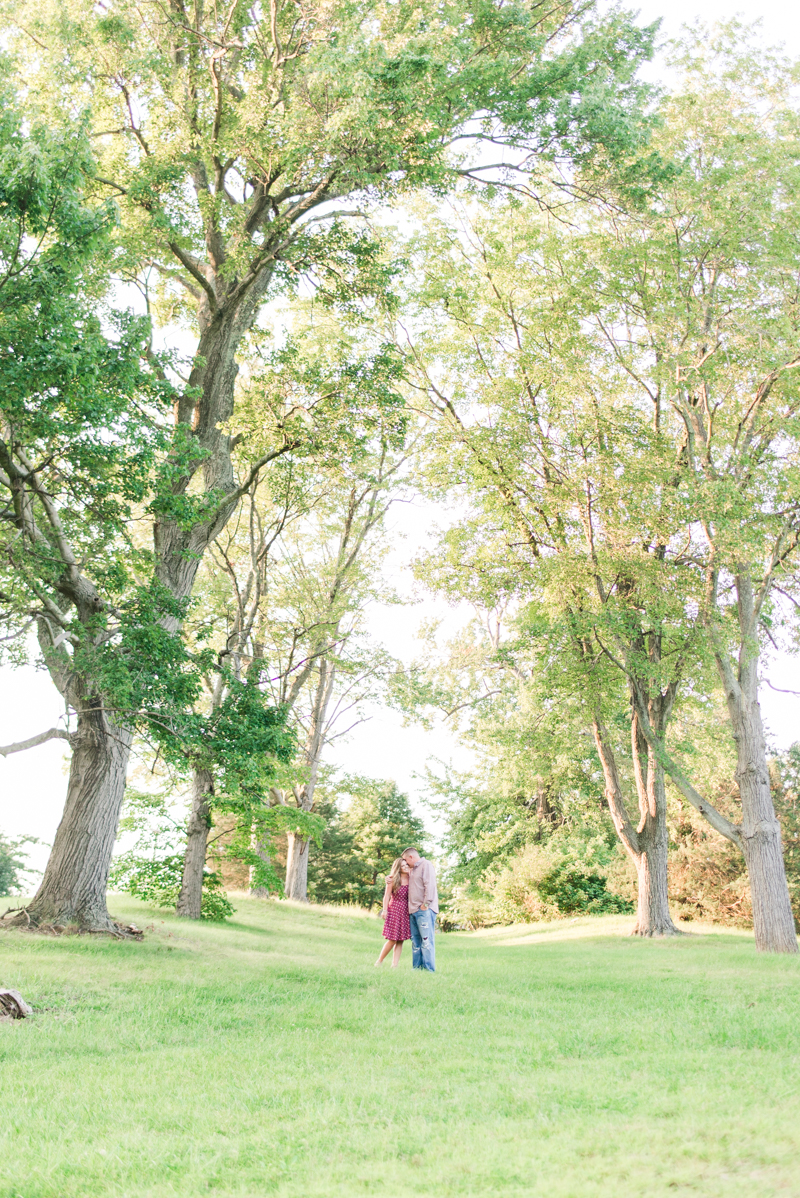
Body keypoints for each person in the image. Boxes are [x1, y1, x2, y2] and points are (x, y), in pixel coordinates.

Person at [401, 847, 438, 971]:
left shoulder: (426, 865)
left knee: (426, 941)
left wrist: (425, 904)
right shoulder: (411, 871)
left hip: (424, 910)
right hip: (413, 911)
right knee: (415, 942)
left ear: (411, 857)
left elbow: (430, 885)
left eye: (406, 860)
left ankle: (429, 969)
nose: (405, 863)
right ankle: (417, 968)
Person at [375, 857, 411, 967]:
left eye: (406, 865)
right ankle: (379, 961)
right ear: (398, 868)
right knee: (392, 939)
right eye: (402, 866)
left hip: (405, 911)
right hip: (394, 909)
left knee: (400, 940)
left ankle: (394, 965)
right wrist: (384, 910)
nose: (405, 867)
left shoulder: (411, 877)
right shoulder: (392, 879)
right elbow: (386, 896)